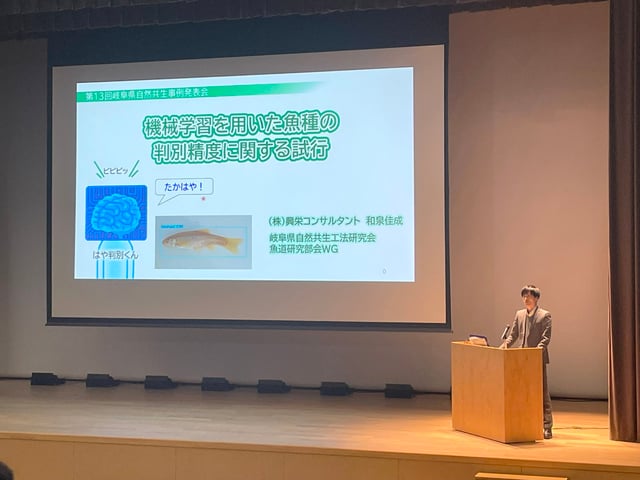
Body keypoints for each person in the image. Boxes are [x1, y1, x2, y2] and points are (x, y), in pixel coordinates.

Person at [501, 284, 553, 439]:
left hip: (536, 360)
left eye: (529, 296)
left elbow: (545, 338)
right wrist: (505, 345)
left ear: (536, 298)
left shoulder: (544, 315)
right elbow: (513, 335)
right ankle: (525, 423)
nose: (526, 299)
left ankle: (547, 426)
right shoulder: (519, 314)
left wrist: (535, 353)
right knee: (522, 392)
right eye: (524, 296)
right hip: (520, 359)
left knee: (542, 393)